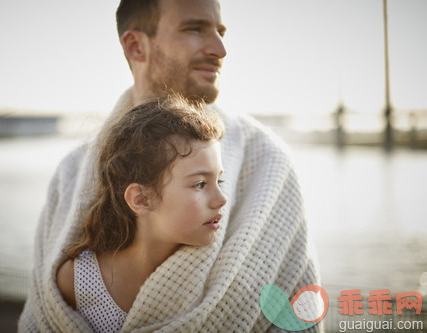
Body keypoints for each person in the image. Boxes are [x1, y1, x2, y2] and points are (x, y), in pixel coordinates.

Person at [18, 0, 322, 331]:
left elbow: (297, 310)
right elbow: (42, 313)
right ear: (136, 46)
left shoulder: (268, 160)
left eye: (220, 32)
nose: (220, 49)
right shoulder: (72, 171)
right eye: (194, 29)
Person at [57, 95, 226, 332]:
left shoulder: (220, 275)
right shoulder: (77, 280)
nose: (222, 199)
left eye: (220, 180)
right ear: (141, 199)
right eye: (200, 184)